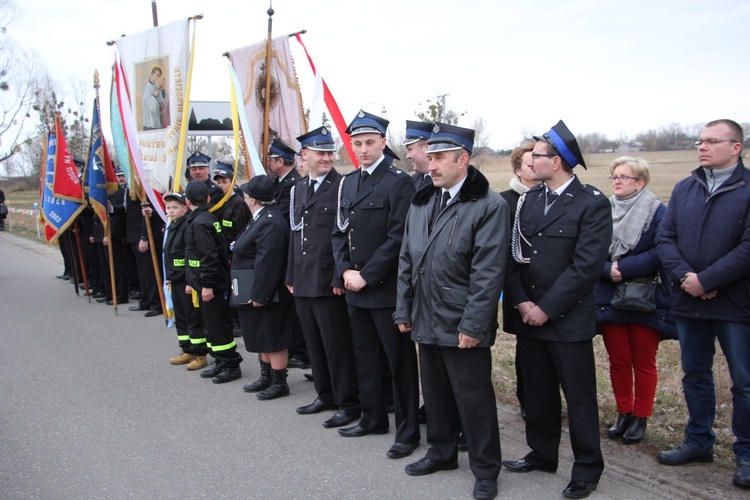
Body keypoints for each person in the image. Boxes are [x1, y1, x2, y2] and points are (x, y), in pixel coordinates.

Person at [395, 123, 508, 500]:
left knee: (473, 398)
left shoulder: (488, 205)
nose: (431, 164)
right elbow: (406, 259)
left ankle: (486, 468)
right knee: (438, 392)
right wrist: (403, 308)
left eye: (440, 158)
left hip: (461, 318)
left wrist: (475, 322)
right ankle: (441, 452)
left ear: (463, 160)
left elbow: (488, 271)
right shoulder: (423, 200)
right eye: (431, 156)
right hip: (426, 313)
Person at [503, 120, 611, 499]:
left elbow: (585, 268)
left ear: (559, 161)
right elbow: (513, 258)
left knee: (578, 398)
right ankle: (542, 452)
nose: (531, 160)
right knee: (537, 392)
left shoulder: (591, 203)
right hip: (529, 314)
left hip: (566, 319)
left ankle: (586, 468)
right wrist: (522, 302)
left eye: (538, 155)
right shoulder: (528, 200)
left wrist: (545, 308)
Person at [655, 119, 750, 490]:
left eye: (712, 141)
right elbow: (666, 237)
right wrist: (686, 279)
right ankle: (698, 442)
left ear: (736, 147)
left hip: (735, 304)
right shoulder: (684, 187)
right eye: (700, 141)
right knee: (694, 373)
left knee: (743, 382)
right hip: (688, 300)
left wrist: (707, 280)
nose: (702, 147)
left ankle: (746, 454)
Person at [331, 109, 420, 459]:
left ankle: (408, 430)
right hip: (354, 287)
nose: (363, 149)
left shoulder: (398, 182)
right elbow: (339, 232)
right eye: (357, 143)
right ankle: (372, 418)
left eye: (370, 142)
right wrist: (345, 272)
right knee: (364, 357)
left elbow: (399, 237)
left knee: (399, 364)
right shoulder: (349, 182)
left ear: (384, 142)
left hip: (383, 289)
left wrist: (366, 274)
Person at [595, 156, 675, 445]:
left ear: (640, 182)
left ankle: (641, 417)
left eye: (624, 177)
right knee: (618, 360)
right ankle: (623, 412)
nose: (617, 181)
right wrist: (607, 270)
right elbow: (589, 249)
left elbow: (661, 250)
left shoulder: (657, 211)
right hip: (609, 294)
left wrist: (624, 268)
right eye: (614, 176)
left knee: (643, 361)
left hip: (645, 296)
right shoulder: (603, 209)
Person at [285, 126, 360, 427]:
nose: (328, 157)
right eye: (321, 152)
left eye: (331, 152)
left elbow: (342, 238)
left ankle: (348, 402)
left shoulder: (342, 186)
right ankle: (324, 394)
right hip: (302, 279)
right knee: (314, 343)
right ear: (305, 156)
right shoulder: (297, 190)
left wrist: (337, 278)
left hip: (328, 281)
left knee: (336, 345)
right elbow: (294, 235)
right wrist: (290, 274)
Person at [233, 176, 302, 400]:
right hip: (256, 288)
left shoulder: (270, 222)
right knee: (261, 336)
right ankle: (266, 376)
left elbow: (268, 262)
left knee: (273, 338)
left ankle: (279, 381)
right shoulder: (261, 217)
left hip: (268, 292)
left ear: (252, 199)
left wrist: (260, 294)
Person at [184, 180, 242, 384]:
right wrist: (192, 280)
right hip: (206, 283)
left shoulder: (201, 222)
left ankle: (230, 364)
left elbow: (208, 257)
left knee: (218, 325)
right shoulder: (204, 218)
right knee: (212, 325)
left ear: (187, 201)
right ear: (208, 199)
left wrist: (207, 284)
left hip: (212, 285)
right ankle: (220, 360)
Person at [500, 141, 541, 420]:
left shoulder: (552, 198)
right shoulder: (505, 201)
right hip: (520, 291)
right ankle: (528, 402)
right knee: (526, 352)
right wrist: (520, 297)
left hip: (550, 293)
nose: (535, 166)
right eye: (529, 163)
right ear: (518, 168)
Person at [266, 139, 307, 368]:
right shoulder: (280, 182)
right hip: (284, 252)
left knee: (292, 307)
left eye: (271, 160)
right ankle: (297, 349)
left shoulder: (292, 184)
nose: (269, 164)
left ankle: (301, 352)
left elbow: (281, 217)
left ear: (280, 161)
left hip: (289, 251)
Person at [162, 191, 209, 371]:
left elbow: (189, 256)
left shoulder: (187, 226)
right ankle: (187, 349)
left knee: (192, 318)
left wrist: (190, 281)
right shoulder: (172, 225)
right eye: (168, 208)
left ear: (185, 208)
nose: (171, 211)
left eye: (175, 207)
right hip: (175, 279)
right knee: (181, 317)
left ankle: (200, 353)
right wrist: (169, 278)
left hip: (186, 281)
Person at [404, 120, 433, 191]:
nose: (407, 156)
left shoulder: (446, 181)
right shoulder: (412, 182)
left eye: (410, 149)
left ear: (426, 146)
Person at [142, 66, 166, 130]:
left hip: (156, 121)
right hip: (149, 122)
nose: (157, 77)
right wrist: (154, 95)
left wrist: (162, 89)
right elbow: (149, 105)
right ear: (152, 74)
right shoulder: (147, 87)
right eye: (157, 75)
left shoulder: (156, 86)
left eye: (159, 76)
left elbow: (161, 101)